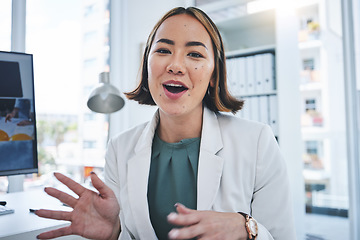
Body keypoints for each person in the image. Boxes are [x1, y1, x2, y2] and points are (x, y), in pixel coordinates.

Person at [35, 6, 296, 240]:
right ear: (147, 65)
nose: (175, 65)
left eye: (194, 54)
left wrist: (246, 228)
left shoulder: (258, 141)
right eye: (163, 50)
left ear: (214, 75)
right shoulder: (119, 149)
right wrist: (114, 234)